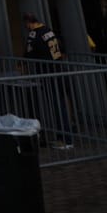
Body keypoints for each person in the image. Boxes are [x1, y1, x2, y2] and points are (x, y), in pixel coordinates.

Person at [22, 12, 72, 148]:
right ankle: (65, 136)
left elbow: (28, 54)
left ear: (28, 23)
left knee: (57, 105)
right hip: (59, 70)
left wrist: (21, 64)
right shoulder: (49, 31)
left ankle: (65, 139)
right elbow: (61, 49)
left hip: (47, 72)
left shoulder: (34, 34)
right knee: (60, 104)